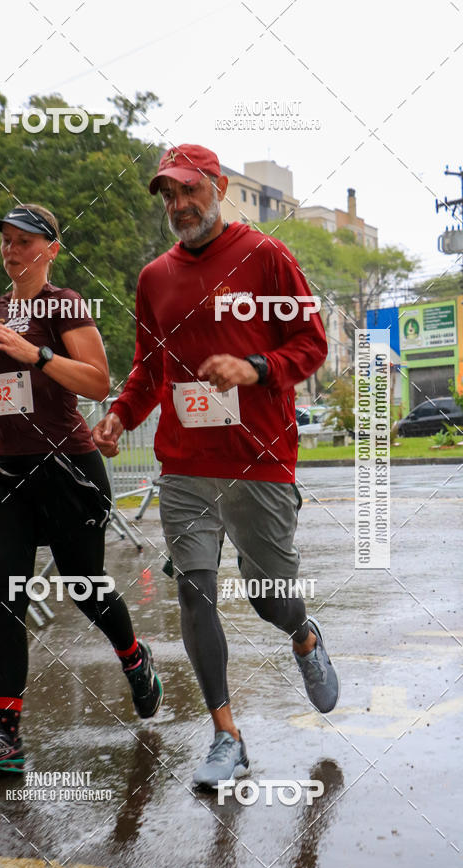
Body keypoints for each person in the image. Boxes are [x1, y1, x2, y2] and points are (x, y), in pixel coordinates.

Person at [93, 146, 339, 789]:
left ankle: (303, 633)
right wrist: (121, 415)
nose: (178, 206)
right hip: (185, 463)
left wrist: (255, 368)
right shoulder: (154, 279)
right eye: (168, 196)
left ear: (218, 188)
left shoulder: (266, 257)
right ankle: (225, 734)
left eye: (188, 191)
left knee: (267, 598)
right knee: (194, 588)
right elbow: (152, 367)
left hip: (259, 459)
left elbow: (311, 343)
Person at [0, 204, 162, 773]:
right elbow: (13, 389)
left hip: (66, 466)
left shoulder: (64, 304)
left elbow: (97, 380)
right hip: (1, 468)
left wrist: (36, 353)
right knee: (4, 595)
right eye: (6, 242)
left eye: (24, 242)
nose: (11, 251)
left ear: (50, 250)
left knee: (84, 587)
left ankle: (134, 656)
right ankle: (6, 735)